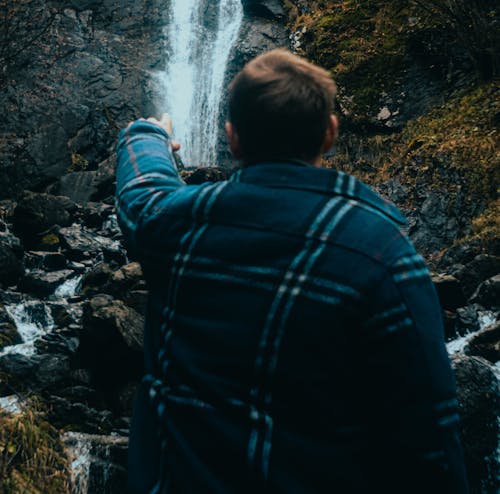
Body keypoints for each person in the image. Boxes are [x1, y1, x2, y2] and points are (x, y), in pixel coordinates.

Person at [115, 48, 469, 494]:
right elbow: (430, 436)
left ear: (232, 138)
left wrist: (148, 134)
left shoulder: (176, 226)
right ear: (330, 133)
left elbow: (140, 191)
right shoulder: (383, 255)